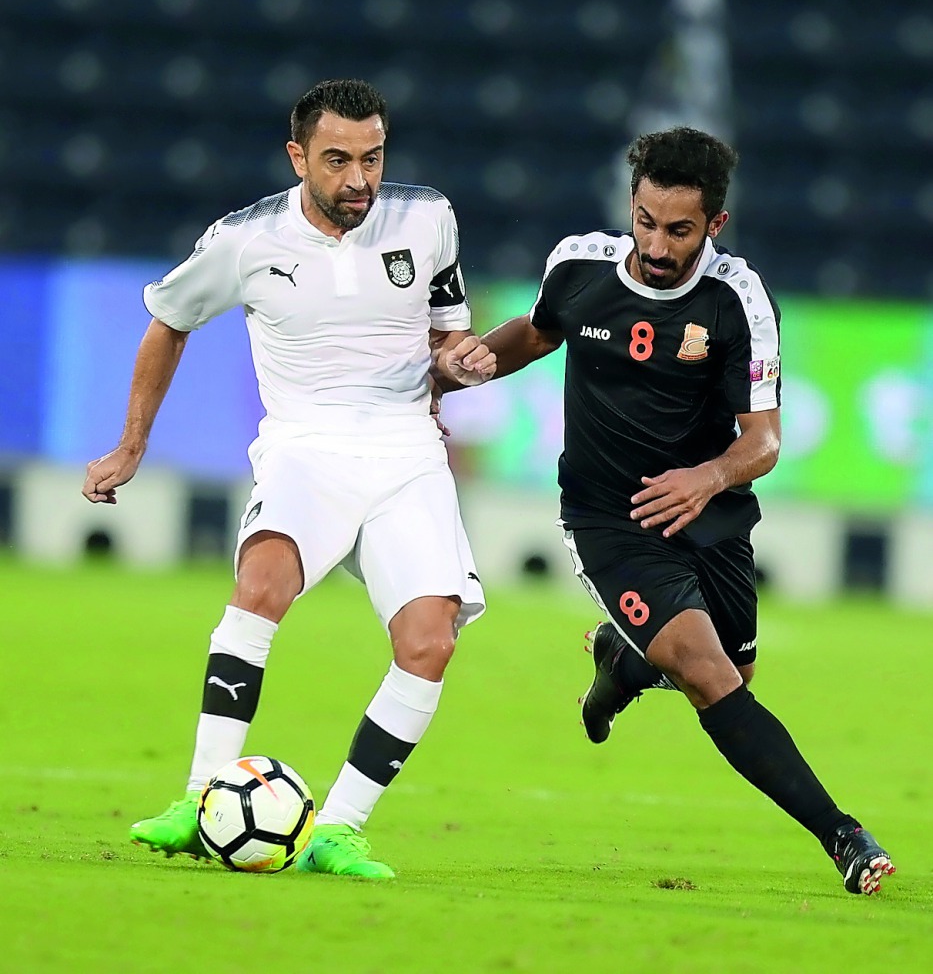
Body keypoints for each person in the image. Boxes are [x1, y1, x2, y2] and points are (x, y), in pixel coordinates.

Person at [443, 125, 894, 896]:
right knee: (710, 673)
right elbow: (538, 332)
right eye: (645, 221)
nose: (655, 244)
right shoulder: (578, 264)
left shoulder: (738, 303)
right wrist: (475, 361)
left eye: (678, 229)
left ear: (713, 225)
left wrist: (706, 478)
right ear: (631, 203)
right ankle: (842, 836)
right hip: (608, 518)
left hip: (707, 511)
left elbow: (764, 442)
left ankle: (622, 658)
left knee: (734, 668)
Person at [82, 78, 495, 880]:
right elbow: (167, 322)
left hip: (407, 450)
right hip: (304, 444)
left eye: (372, 158)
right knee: (260, 588)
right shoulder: (246, 238)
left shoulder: (429, 218)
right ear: (297, 155)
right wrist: (132, 446)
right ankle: (201, 798)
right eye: (337, 159)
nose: (359, 180)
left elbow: (449, 331)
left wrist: (458, 362)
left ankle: (336, 830)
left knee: (430, 642)